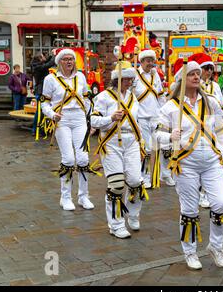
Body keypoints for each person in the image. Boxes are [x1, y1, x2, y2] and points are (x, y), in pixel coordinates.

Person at [155, 61, 223, 270]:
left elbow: (222, 130)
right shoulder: (171, 106)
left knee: (221, 204)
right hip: (185, 164)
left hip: (211, 162)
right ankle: (190, 252)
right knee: (190, 210)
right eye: (191, 74)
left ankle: (216, 247)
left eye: (197, 74)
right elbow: (156, 134)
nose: (196, 77)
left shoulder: (211, 103)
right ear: (182, 79)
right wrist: (169, 136)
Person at [91, 66, 148, 238]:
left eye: (131, 79)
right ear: (117, 79)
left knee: (135, 181)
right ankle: (115, 224)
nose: (128, 82)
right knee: (116, 184)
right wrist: (110, 118)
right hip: (111, 141)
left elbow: (137, 121)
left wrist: (142, 141)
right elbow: (93, 119)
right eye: (125, 78)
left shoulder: (133, 98)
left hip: (131, 142)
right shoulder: (103, 97)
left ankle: (133, 213)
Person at [41, 49, 95, 211]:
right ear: (59, 62)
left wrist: (91, 120)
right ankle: (65, 197)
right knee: (69, 159)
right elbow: (44, 102)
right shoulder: (50, 79)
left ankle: (83, 196)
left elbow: (86, 100)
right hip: (62, 120)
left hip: (79, 119)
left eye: (71, 59)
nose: (69, 61)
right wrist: (52, 114)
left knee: (84, 159)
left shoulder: (81, 77)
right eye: (65, 59)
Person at [189, 53, 223, 209]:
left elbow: (221, 109)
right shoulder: (194, 87)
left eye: (211, 68)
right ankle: (202, 194)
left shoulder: (215, 86)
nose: (209, 72)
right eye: (205, 68)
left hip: (219, 126)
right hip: (202, 131)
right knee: (207, 163)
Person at [132, 49, 163, 188]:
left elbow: (161, 95)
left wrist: (163, 114)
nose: (151, 63)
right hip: (141, 117)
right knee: (146, 148)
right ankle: (143, 176)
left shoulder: (155, 75)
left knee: (156, 148)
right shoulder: (135, 75)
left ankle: (155, 176)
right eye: (148, 60)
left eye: (152, 60)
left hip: (155, 116)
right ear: (142, 61)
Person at [31, 52, 56, 137]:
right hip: (41, 91)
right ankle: (36, 130)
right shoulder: (38, 67)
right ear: (39, 59)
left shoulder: (38, 65)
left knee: (41, 112)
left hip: (41, 91)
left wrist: (51, 55)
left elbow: (46, 62)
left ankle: (40, 129)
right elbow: (49, 63)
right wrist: (54, 55)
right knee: (40, 112)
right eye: (42, 56)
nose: (44, 57)